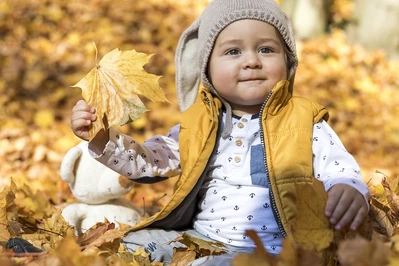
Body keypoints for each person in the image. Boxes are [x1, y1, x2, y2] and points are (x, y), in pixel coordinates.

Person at [70, 0, 370, 264]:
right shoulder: (199, 123)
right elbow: (150, 161)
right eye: (233, 51)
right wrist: (101, 138)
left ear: (288, 63)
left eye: (266, 49)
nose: (251, 60)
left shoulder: (305, 118)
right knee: (131, 245)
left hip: (276, 252)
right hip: (202, 240)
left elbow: (339, 165)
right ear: (207, 70)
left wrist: (347, 186)